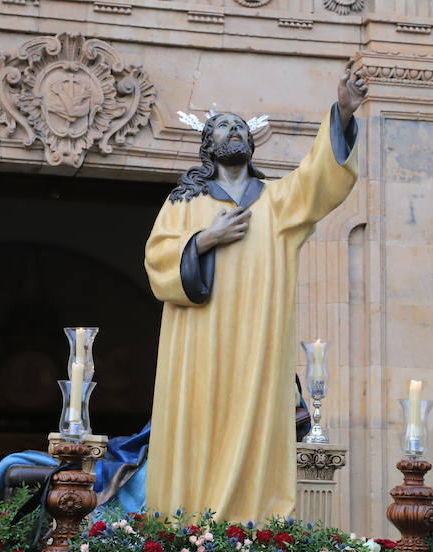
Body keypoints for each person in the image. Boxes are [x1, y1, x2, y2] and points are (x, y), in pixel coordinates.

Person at [143, 60, 367, 523]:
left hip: (256, 347)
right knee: (198, 423)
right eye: (223, 127)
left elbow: (317, 181)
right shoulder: (184, 203)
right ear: (208, 144)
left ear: (250, 142)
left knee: (254, 423)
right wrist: (204, 240)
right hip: (199, 348)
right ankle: (189, 526)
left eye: (241, 128)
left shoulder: (276, 202)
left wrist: (343, 114)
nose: (234, 132)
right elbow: (157, 263)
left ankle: (253, 526)